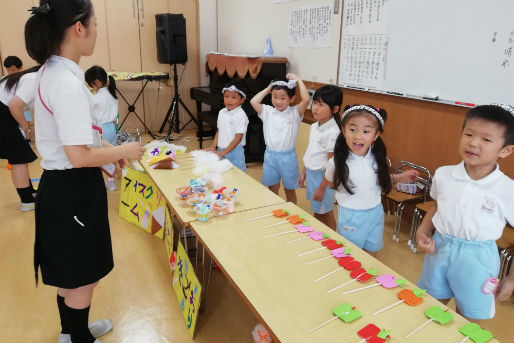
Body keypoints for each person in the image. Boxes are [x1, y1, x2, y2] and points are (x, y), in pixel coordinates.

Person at [25, 1, 146, 343]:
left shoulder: (52, 71)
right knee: (83, 277)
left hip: (60, 185)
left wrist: (107, 154)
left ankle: (71, 332)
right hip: (72, 189)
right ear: (78, 28)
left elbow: (78, 142)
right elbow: (78, 156)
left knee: (70, 272)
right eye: (94, 25)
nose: (96, 32)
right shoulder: (65, 81)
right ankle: (79, 337)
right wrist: (123, 150)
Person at [416, 104, 514, 322]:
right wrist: (422, 231)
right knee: (430, 308)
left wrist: (512, 279)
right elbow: (437, 206)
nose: (473, 143)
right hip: (439, 249)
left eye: (486, 140)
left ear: (505, 150)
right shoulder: (444, 174)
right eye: (468, 134)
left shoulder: (508, 189)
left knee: (468, 319)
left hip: (478, 259)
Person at [324, 105, 418, 256]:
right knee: (349, 255)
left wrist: (400, 177)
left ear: (375, 135)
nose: (358, 136)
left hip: (375, 212)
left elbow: (378, 180)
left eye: (366, 131)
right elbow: (330, 182)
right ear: (343, 130)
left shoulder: (376, 159)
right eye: (352, 129)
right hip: (351, 215)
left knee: (371, 251)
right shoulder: (336, 162)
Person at [250, 74, 309, 204]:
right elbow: (253, 101)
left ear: (292, 99)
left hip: (288, 158)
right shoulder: (267, 111)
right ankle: (273, 210)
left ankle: (293, 213)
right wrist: (268, 89)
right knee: (272, 188)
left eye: (283, 98)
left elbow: (305, 100)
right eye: (275, 97)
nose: (278, 101)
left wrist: (299, 80)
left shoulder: (295, 113)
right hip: (270, 156)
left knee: (289, 189)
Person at [297, 85, 342, 230]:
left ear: (335, 109)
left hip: (323, 178)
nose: (315, 108)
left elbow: (331, 165)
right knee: (317, 210)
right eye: (315, 102)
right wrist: (304, 172)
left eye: (321, 105)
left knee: (326, 212)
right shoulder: (315, 126)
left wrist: (322, 188)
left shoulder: (333, 133)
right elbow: (311, 151)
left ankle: (335, 243)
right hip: (312, 174)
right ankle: (320, 235)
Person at [0, 66, 40, 210]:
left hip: (5, 115)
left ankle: (30, 192)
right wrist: (25, 126)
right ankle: (27, 201)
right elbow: (14, 106)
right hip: (3, 115)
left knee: (21, 157)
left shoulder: (20, 78)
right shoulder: (33, 79)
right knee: (19, 159)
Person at [85, 65, 119, 190]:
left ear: (97, 82)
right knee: (113, 154)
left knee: (100, 156)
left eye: (90, 84)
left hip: (101, 129)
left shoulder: (96, 98)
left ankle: (101, 182)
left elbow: (91, 116)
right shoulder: (113, 96)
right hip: (111, 127)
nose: (90, 87)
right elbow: (115, 117)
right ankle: (111, 181)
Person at [205, 79, 249, 171]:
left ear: (242, 100)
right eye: (226, 96)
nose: (229, 100)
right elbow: (219, 131)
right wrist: (213, 147)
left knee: (237, 175)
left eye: (234, 97)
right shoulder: (222, 112)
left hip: (235, 152)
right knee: (223, 174)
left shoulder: (240, 115)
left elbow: (238, 138)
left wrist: (224, 152)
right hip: (221, 149)